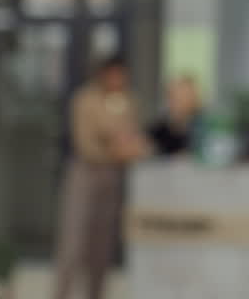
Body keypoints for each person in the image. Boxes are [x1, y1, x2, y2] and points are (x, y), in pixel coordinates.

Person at [53, 57, 149, 299]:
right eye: (115, 75)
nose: (119, 81)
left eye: (122, 76)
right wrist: (116, 147)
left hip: (112, 179)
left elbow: (133, 137)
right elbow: (86, 144)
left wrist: (124, 146)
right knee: (72, 246)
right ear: (104, 75)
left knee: (101, 249)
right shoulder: (85, 100)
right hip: (85, 176)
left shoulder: (129, 100)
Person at [147, 75, 202, 156]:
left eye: (185, 97)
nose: (181, 103)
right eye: (177, 97)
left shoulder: (203, 131)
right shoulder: (155, 133)